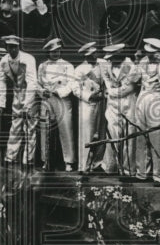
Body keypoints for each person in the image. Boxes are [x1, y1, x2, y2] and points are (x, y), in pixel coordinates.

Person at [134, 38, 160, 185]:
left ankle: (159, 175)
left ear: (159, 52)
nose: (149, 55)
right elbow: (134, 78)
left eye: (153, 53)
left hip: (156, 100)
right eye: (148, 52)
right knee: (140, 135)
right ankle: (142, 173)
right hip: (142, 99)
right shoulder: (142, 61)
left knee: (156, 136)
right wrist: (137, 60)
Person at [98, 43, 140, 179]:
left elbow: (129, 88)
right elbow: (107, 82)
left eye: (114, 57)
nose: (111, 61)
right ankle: (110, 167)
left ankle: (128, 170)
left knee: (129, 135)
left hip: (128, 103)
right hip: (112, 105)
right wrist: (112, 91)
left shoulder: (131, 66)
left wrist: (113, 92)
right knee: (112, 134)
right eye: (110, 59)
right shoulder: (106, 65)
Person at [37, 38, 77, 171]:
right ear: (48, 52)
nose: (55, 53)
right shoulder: (42, 66)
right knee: (45, 128)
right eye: (52, 51)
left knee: (66, 128)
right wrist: (42, 91)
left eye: (57, 51)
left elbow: (71, 84)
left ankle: (69, 161)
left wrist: (58, 91)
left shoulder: (67, 65)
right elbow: (38, 83)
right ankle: (46, 159)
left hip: (62, 99)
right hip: (47, 99)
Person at [0, 35, 38, 165]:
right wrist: (1, 104)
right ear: (6, 48)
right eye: (10, 47)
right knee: (15, 126)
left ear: (18, 47)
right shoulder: (4, 61)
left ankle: (28, 159)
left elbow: (32, 83)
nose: (13, 50)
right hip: (17, 94)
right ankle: (10, 157)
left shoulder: (28, 59)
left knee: (30, 128)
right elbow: (2, 83)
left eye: (15, 47)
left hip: (29, 94)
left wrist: (27, 105)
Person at [73, 43, 106, 173]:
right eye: (89, 55)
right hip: (87, 104)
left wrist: (103, 94)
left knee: (102, 133)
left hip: (102, 102)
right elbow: (75, 88)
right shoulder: (80, 69)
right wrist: (89, 96)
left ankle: (97, 163)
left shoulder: (103, 64)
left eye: (94, 54)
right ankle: (84, 166)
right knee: (87, 134)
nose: (92, 57)